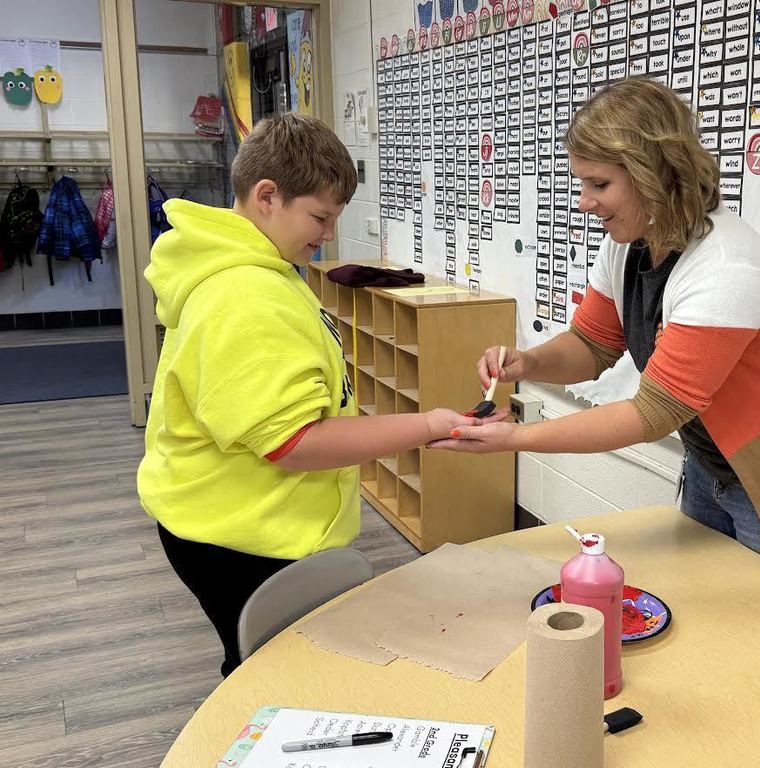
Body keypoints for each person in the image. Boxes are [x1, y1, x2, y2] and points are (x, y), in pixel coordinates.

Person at [431, 78, 760, 682]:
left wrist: (513, 438)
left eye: (600, 184)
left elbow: (651, 414)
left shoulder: (726, 267)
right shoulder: (631, 243)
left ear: (655, 172)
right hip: (715, 463)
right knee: (710, 617)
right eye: (582, 183)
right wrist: (529, 363)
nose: (584, 201)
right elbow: (593, 345)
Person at [137, 114, 499, 677]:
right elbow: (294, 440)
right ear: (266, 197)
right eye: (320, 216)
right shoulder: (244, 295)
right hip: (236, 534)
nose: (328, 234)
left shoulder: (267, 267)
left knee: (269, 660)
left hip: (241, 515)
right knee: (270, 669)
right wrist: (430, 425)